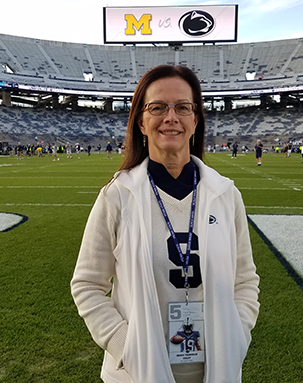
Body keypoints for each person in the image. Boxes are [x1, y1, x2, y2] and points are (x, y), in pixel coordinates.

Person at [71, 65, 260, 383]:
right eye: (157, 107)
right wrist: (127, 347)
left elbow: (245, 282)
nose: (171, 117)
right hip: (135, 374)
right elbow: (87, 285)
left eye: (183, 107)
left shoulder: (225, 194)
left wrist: (237, 336)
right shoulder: (118, 196)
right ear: (141, 122)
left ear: (195, 120)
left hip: (216, 370)